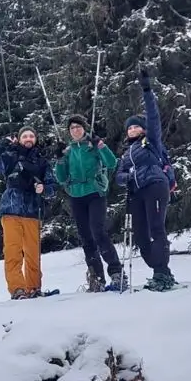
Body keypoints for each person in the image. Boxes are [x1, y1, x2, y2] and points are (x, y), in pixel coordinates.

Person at [116, 70, 178, 291]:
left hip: (155, 186)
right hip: (136, 193)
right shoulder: (125, 153)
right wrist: (128, 176)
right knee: (141, 236)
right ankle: (160, 269)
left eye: (136, 126)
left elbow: (153, 117)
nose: (132, 129)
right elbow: (119, 177)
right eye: (129, 127)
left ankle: (161, 273)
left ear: (142, 129)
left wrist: (147, 91)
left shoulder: (150, 142)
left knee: (156, 228)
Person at [0, 126, 58, 299]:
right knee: (12, 251)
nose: (28, 138)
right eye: (25, 135)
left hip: (33, 211)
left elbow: (52, 186)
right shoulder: (10, 157)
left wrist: (43, 189)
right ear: (19, 138)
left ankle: (34, 287)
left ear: (36, 139)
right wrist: (4, 143)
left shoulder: (41, 161)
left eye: (31, 135)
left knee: (33, 253)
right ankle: (17, 289)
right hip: (11, 209)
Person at [53, 115, 125, 292]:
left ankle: (116, 272)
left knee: (97, 231)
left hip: (95, 192)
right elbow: (61, 178)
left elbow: (111, 163)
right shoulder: (68, 151)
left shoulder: (92, 146)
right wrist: (59, 159)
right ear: (69, 132)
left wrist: (101, 145)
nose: (75, 130)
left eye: (78, 127)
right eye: (72, 128)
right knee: (86, 237)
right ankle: (97, 277)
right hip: (77, 196)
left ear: (84, 129)